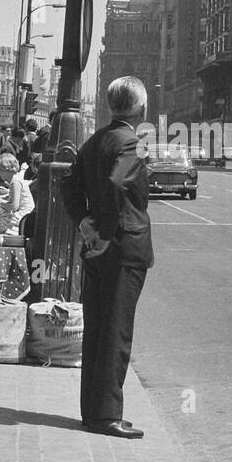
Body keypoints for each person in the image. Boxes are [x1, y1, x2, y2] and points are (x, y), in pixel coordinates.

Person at [61, 76, 154, 440]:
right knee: (116, 334)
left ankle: (94, 411)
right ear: (141, 108)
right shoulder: (132, 142)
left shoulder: (96, 139)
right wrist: (106, 231)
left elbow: (69, 183)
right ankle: (106, 416)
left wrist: (85, 223)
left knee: (97, 331)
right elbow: (118, 184)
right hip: (122, 247)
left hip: (98, 250)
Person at [0, 150, 34, 242]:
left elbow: (13, 206)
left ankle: (3, 239)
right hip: (26, 213)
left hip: (23, 216)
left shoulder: (15, 182)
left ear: (6, 169)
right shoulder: (17, 179)